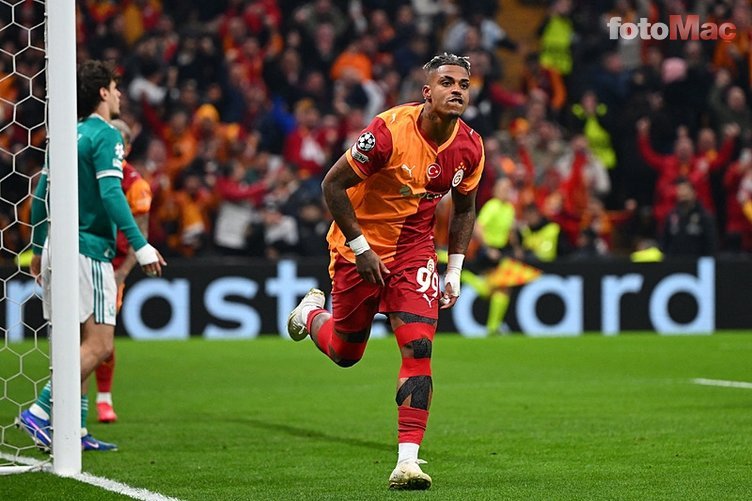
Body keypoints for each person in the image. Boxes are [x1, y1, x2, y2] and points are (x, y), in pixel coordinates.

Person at [286, 53, 485, 490]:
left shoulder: (471, 146)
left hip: (415, 253)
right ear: (427, 91)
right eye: (447, 82)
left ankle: (407, 462)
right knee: (346, 353)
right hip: (359, 249)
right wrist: (360, 249)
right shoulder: (387, 131)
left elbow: (465, 208)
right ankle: (309, 315)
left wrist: (453, 270)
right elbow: (332, 185)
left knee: (418, 348)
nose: (457, 90)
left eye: (464, 85)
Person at [17, 60, 165, 452]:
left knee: (80, 343)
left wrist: (38, 248)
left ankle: (77, 430)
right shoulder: (106, 134)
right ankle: (40, 412)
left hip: (57, 247)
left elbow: (41, 197)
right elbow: (112, 193)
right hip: (90, 249)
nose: (119, 94)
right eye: (115, 88)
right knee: (100, 346)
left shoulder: (66, 135)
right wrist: (141, 245)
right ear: (102, 92)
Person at [94, 118, 153, 423]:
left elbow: (140, 235)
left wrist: (121, 275)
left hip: (112, 267)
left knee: (101, 337)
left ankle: (104, 398)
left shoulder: (136, 185)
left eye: (118, 140)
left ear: (127, 147)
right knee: (80, 335)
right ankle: (72, 405)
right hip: (85, 256)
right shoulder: (88, 171)